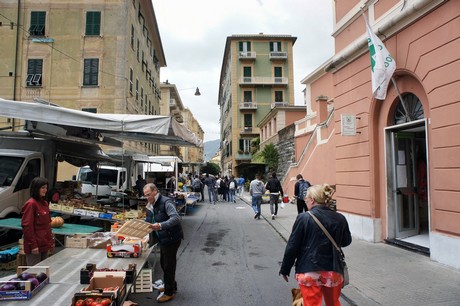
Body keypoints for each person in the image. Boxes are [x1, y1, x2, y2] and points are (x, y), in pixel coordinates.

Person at [279, 184, 352, 306]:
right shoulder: (340, 218)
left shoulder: (303, 218)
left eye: (306, 198)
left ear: (312, 200)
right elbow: (346, 242)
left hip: (309, 270)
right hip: (333, 270)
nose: (305, 200)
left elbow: (292, 246)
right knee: (333, 303)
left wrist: (285, 268)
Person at [144, 183, 184, 303]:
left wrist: (161, 226)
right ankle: (170, 285)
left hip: (172, 238)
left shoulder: (166, 202)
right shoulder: (151, 204)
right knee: (164, 263)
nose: (147, 197)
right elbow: (149, 219)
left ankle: (168, 292)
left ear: (155, 191)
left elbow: (176, 218)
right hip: (163, 238)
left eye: (149, 194)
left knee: (168, 265)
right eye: (145, 195)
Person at [21, 177, 54, 266]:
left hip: (44, 244)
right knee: (34, 273)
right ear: (36, 189)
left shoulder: (45, 203)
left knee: (43, 273)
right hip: (35, 246)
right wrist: (33, 245)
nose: (45, 190)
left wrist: (50, 243)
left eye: (46, 188)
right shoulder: (31, 204)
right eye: (42, 187)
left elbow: (47, 225)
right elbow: (27, 226)